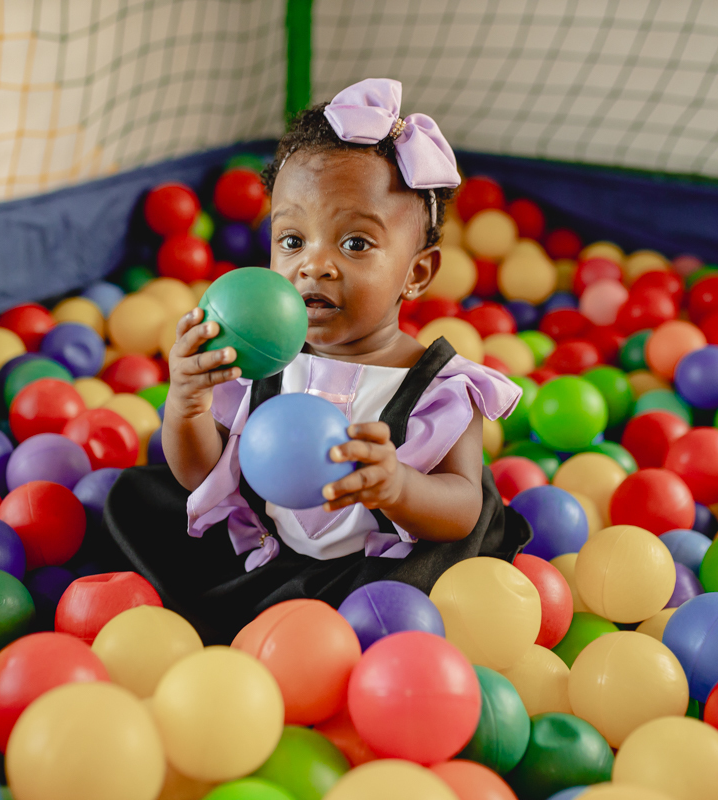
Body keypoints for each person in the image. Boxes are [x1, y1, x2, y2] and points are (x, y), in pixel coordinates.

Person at [99, 78, 530, 643]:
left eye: (355, 244)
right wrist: (187, 406)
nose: (314, 265)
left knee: (406, 608)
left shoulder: (438, 387)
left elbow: (462, 507)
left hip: (376, 565)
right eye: (292, 240)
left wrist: (398, 487)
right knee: (133, 501)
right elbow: (201, 474)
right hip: (274, 545)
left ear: (417, 273)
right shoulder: (258, 359)